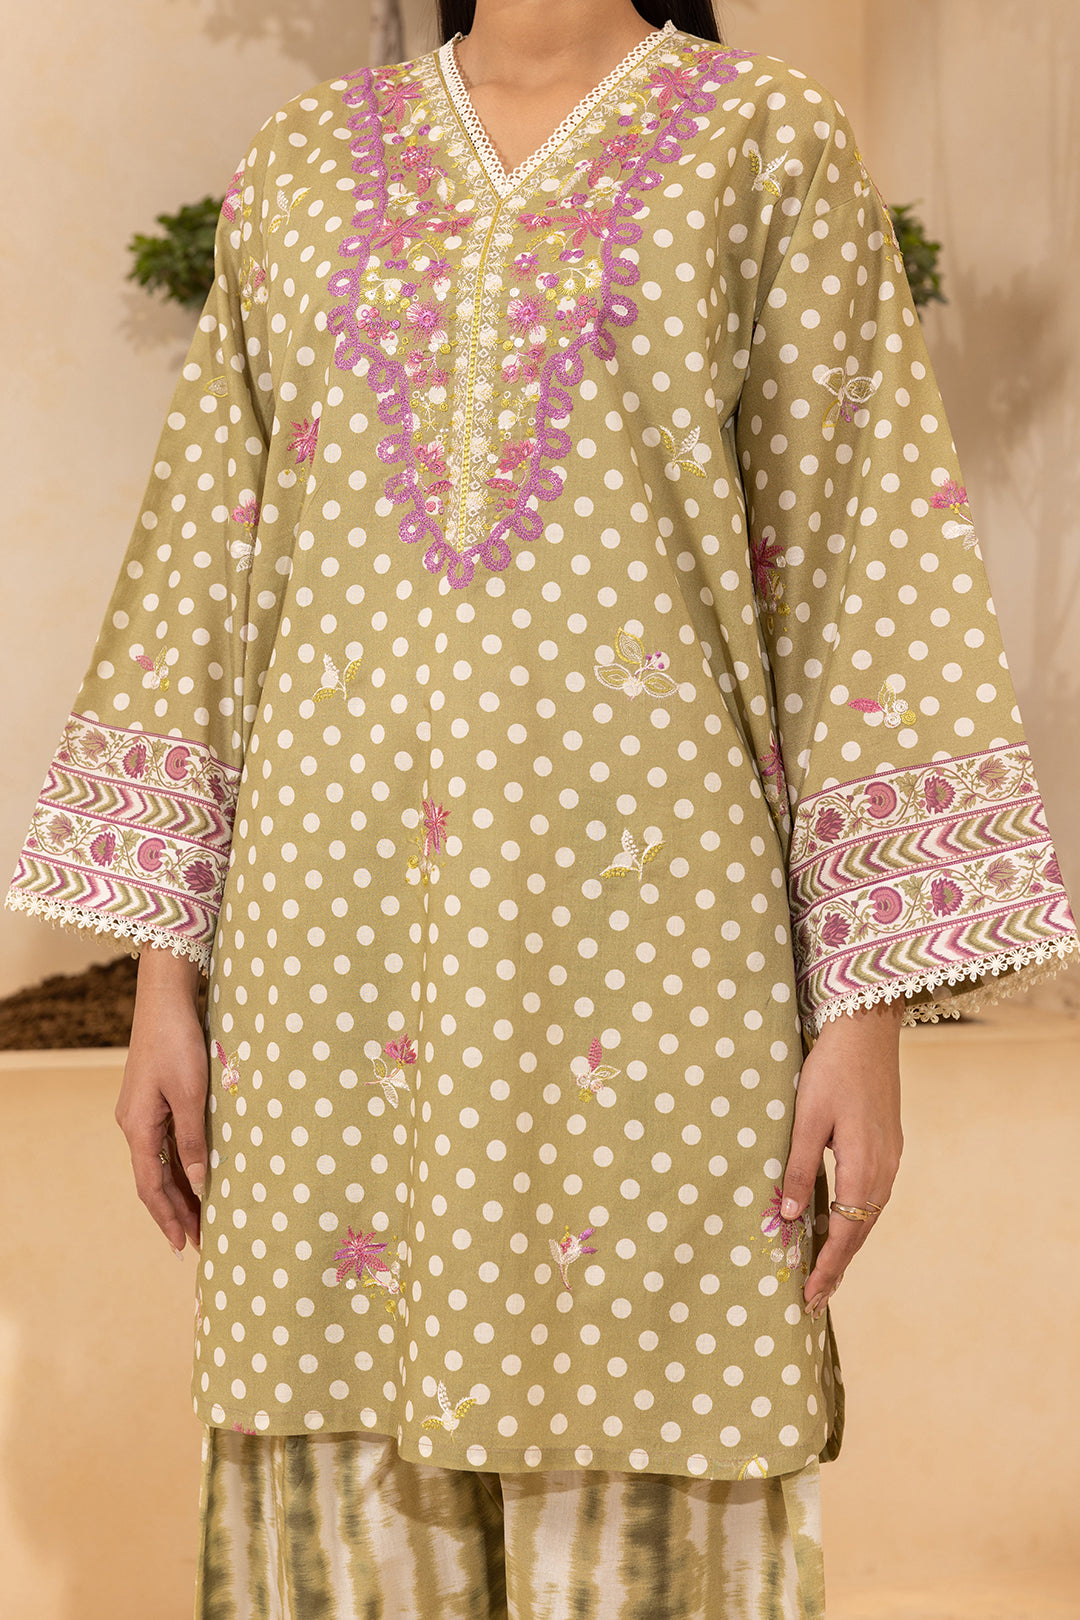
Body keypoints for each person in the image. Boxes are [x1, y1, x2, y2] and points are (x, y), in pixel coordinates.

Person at [8, 1, 1078, 1614]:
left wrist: (864, 1016)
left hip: (657, 961)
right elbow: (208, 580)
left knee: (665, 1413)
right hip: (327, 962)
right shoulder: (303, 165)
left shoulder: (767, 145)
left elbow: (860, 576)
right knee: (334, 1420)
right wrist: (169, 978)